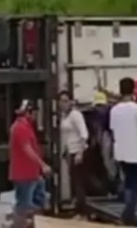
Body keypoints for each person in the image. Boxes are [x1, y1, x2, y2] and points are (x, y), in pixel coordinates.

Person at [109, 77, 137, 224]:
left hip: (120, 151)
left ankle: (129, 213)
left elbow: (113, 130)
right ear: (133, 90)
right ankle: (128, 214)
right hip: (136, 152)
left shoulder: (114, 110)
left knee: (128, 182)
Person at [9, 99, 51, 228]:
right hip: (24, 175)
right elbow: (27, 149)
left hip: (31, 174)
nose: (36, 116)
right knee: (23, 205)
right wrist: (42, 165)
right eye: (34, 113)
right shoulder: (21, 127)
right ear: (28, 112)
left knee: (39, 199)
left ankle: (36, 223)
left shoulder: (25, 126)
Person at [58, 91, 89, 219]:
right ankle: (78, 207)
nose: (63, 104)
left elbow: (84, 134)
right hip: (70, 151)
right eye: (61, 101)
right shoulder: (64, 116)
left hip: (78, 151)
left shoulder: (76, 115)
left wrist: (80, 153)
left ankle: (81, 211)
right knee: (74, 181)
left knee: (78, 182)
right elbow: (66, 136)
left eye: (66, 101)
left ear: (71, 101)